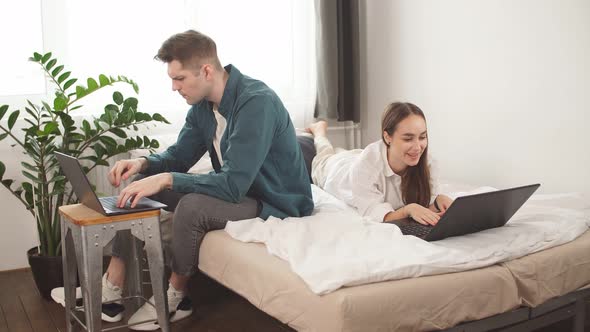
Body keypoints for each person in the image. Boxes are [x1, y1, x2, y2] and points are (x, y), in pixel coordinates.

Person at [51, 30, 314, 330]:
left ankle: (177, 297)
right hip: (241, 189)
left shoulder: (256, 103)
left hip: (275, 200)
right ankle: (111, 290)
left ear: (206, 71)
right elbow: (179, 156)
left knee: (191, 207)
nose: (174, 88)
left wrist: (167, 179)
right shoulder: (202, 106)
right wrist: (142, 164)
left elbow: (231, 185)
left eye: (179, 79)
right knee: (140, 184)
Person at [307, 102, 453, 225]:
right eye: (408, 139)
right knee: (325, 152)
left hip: (365, 157)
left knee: (350, 154)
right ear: (387, 137)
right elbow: (376, 215)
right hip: (335, 169)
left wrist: (438, 201)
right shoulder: (365, 167)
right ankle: (319, 131)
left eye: (422, 137)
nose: (417, 147)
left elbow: (426, 207)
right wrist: (408, 210)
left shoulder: (428, 163)